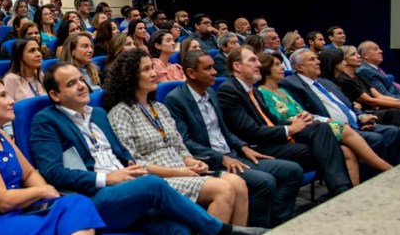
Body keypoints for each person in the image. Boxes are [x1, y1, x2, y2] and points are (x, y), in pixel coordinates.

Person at [32, 62, 266, 235]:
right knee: (153, 183)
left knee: (179, 231)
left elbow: (121, 153)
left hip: (132, 190)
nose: (82, 86)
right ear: (55, 95)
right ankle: (222, 230)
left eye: (81, 80)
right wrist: (109, 178)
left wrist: (129, 165)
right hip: (95, 198)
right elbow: (52, 172)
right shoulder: (46, 121)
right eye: (71, 84)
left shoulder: (99, 114)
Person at [105, 49, 250, 226]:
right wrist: (179, 172)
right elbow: (134, 163)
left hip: (182, 169)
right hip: (160, 180)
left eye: (152, 68)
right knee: (224, 189)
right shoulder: (121, 113)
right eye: (146, 70)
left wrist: (193, 163)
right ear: (129, 76)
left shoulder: (159, 107)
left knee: (239, 185)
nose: (154, 73)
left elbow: (179, 146)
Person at [165, 50, 304, 228]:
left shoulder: (211, 94)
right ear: (191, 73)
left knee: (293, 171)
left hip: (234, 154)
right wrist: (221, 158)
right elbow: (184, 143)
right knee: (265, 182)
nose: (215, 72)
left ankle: (277, 223)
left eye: (214, 67)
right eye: (208, 68)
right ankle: (260, 228)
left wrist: (243, 146)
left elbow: (225, 130)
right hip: (212, 161)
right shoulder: (176, 100)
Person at [0, 76, 103, 235]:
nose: (11, 101)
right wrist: (41, 192)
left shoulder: (1, 135)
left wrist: (46, 197)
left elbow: (28, 173)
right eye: (3, 96)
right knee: (72, 219)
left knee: (78, 203)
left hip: (20, 211)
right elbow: (2, 201)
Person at [216, 46, 352, 197]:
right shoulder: (228, 90)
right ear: (237, 66)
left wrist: (296, 121)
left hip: (275, 138)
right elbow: (250, 131)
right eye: (252, 60)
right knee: (326, 149)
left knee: (320, 128)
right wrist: (291, 129)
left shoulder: (253, 90)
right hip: (259, 146)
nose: (259, 64)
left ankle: (341, 190)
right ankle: (341, 190)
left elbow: (271, 120)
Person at [261, 52, 393, 186]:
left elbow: (343, 105)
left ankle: (353, 192)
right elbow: (277, 120)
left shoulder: (285, 91)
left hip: (317, 126)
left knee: (350, 149)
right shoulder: (277, 88)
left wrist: (360, 116)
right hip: (301, 133)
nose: (283, 67)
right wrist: (313, 119)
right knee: (351, 131)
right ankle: (387, 170)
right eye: (277, 65)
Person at [326, 46, 400, 126]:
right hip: (365, 113)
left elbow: (379, 96)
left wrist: (398, 101)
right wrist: (397, 104)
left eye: (357, 53)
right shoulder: (344, 80)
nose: (359, 56)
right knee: (394, 112)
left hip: (375, 110)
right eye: (353, 54)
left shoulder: (359, 76)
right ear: (344, 60)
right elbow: (370, 101)